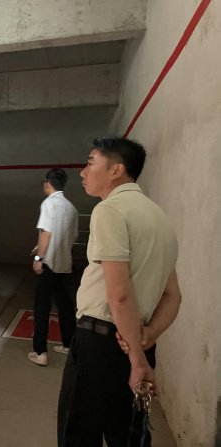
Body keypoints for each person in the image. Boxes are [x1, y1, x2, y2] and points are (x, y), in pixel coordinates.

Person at [57, 137, 182, 446]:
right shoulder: (159, 218)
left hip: (100, 345)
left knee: (78, 433)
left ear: (116, 170)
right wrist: (146, 337)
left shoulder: (110, 211)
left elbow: (120, 294)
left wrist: (138, 362)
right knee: (126, 435)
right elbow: (172, 296)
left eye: (90, 163)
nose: (83, 172)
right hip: (136, 342)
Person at [27, 168, 78, 367]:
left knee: (42, 307)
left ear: (48, 183)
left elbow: (46, 233)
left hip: (48, 264)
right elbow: (72, 237)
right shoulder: (71, 207)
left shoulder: (49, 203)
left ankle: (40, 352)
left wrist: (38, 257)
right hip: (64, 265)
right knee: (65, 306)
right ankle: (68, 345)